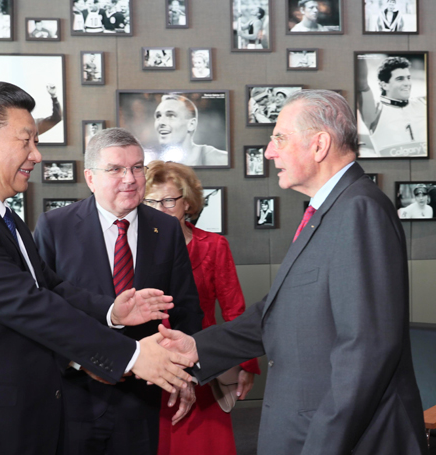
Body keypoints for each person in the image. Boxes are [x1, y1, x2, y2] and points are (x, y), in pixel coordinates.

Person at [0, 81, 194, 455]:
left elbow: (46, 287)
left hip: (8, 418)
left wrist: (112, 311)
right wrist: (132, 356)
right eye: (26, 141)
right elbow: (27, 305)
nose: (36, 155)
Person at [158, 89, 428, 455]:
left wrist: (322, 445)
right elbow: (279, 311)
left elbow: (367, 350)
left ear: (319, 145)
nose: (269, 152)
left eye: (279, 138)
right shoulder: (331, 210)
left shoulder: (358, 211)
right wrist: (196, 346)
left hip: (340, 438)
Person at [33, 128, 203, 455]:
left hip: (141, 397)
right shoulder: (55, 227)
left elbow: (185, 307)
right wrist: (78, 363)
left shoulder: (165, 228)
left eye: (137, 167)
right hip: (75, 392)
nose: (130, 178)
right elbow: (43, 307)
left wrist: (185, 373)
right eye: (116, 169)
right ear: (90, 178)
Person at [144, 160, 261, 455]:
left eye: (169, 200)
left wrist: (247, 364)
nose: (161, 209)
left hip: (202, 364)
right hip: (151, 365)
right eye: (151, 201)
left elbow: (235, 309)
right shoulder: (134, 249)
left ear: (188, 204)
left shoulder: (214, 246)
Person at [357, 55, 427, 157]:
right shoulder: (376, 112)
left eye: (408, 78)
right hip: (394, 170)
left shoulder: (424, 103)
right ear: (384, 85)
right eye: (400, 79)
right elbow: (361, 84)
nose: (407, 83)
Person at [151, 94, 228, 166]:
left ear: (191, 124)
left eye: (171, 115)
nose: (161, 122)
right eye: (158, 116)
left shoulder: (219, 159)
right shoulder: (151, 163)